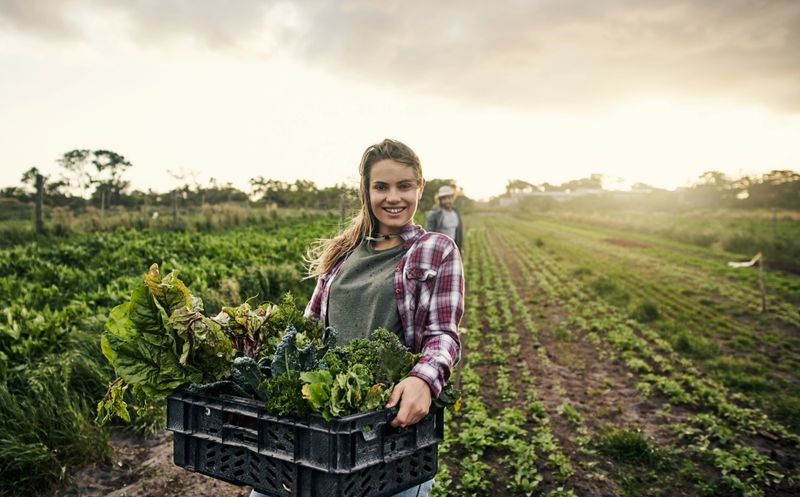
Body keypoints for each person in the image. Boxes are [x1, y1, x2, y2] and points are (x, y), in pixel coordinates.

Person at [250, 139, 463, 497]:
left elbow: (443, 334)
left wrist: (423, 380)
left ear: (419, 187)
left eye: (404, 186)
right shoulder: (342, 253)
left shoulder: (435, 250)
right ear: (366, 190)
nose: (392, 197)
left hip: (387, 433)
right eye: (381, 186)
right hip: (321, 426)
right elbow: (309, 326)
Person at [426, 185, 463, 251]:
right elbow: (429, 235)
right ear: (440, 200)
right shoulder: (435, 214)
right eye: (444, 198)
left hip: (453, 249)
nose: (447, 201)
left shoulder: (456, 212)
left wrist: (459, 249)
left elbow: (458, 233)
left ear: (453, 198)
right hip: (439, 250)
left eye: (449, 198)